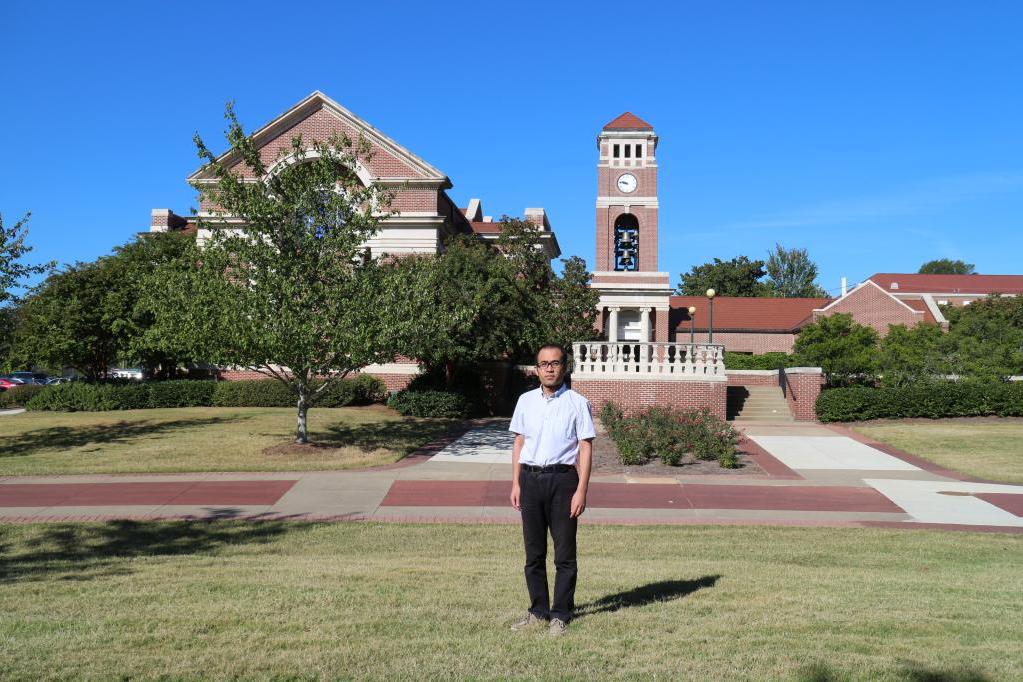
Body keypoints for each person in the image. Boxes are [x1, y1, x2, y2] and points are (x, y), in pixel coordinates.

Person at [508, 343, 595, 636]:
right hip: (530, 481)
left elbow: (585, 447)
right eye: (544, 364)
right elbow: (519, 443)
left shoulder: (578, 403)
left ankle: (560, 614)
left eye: (555, 363)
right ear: (536, 369)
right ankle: (538, 610)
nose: (549, 368)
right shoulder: (525, 401)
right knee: (533, 554)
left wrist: (581, 489)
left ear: (564, 367)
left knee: (564, 555)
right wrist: (516, 482)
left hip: (563, 482)